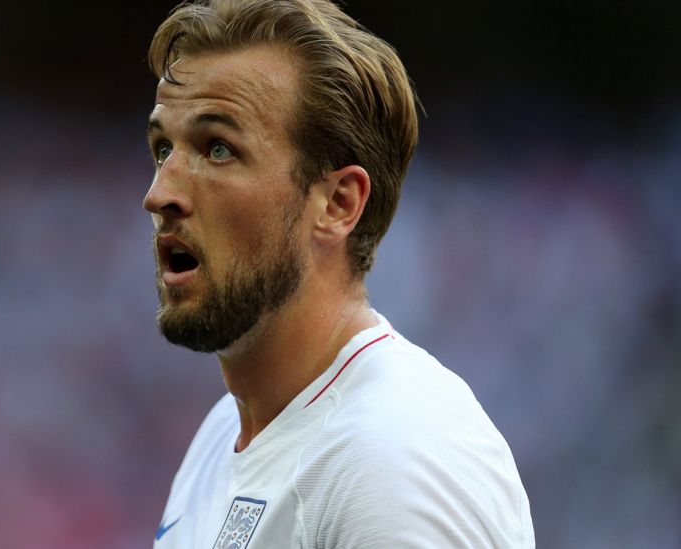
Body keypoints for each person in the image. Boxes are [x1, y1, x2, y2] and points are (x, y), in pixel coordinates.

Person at [142, 0, 534, 547]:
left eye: (217, 149)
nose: (159, 195)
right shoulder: (222, 436)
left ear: (337, 204)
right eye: (164, 149)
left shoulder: (392, 460)